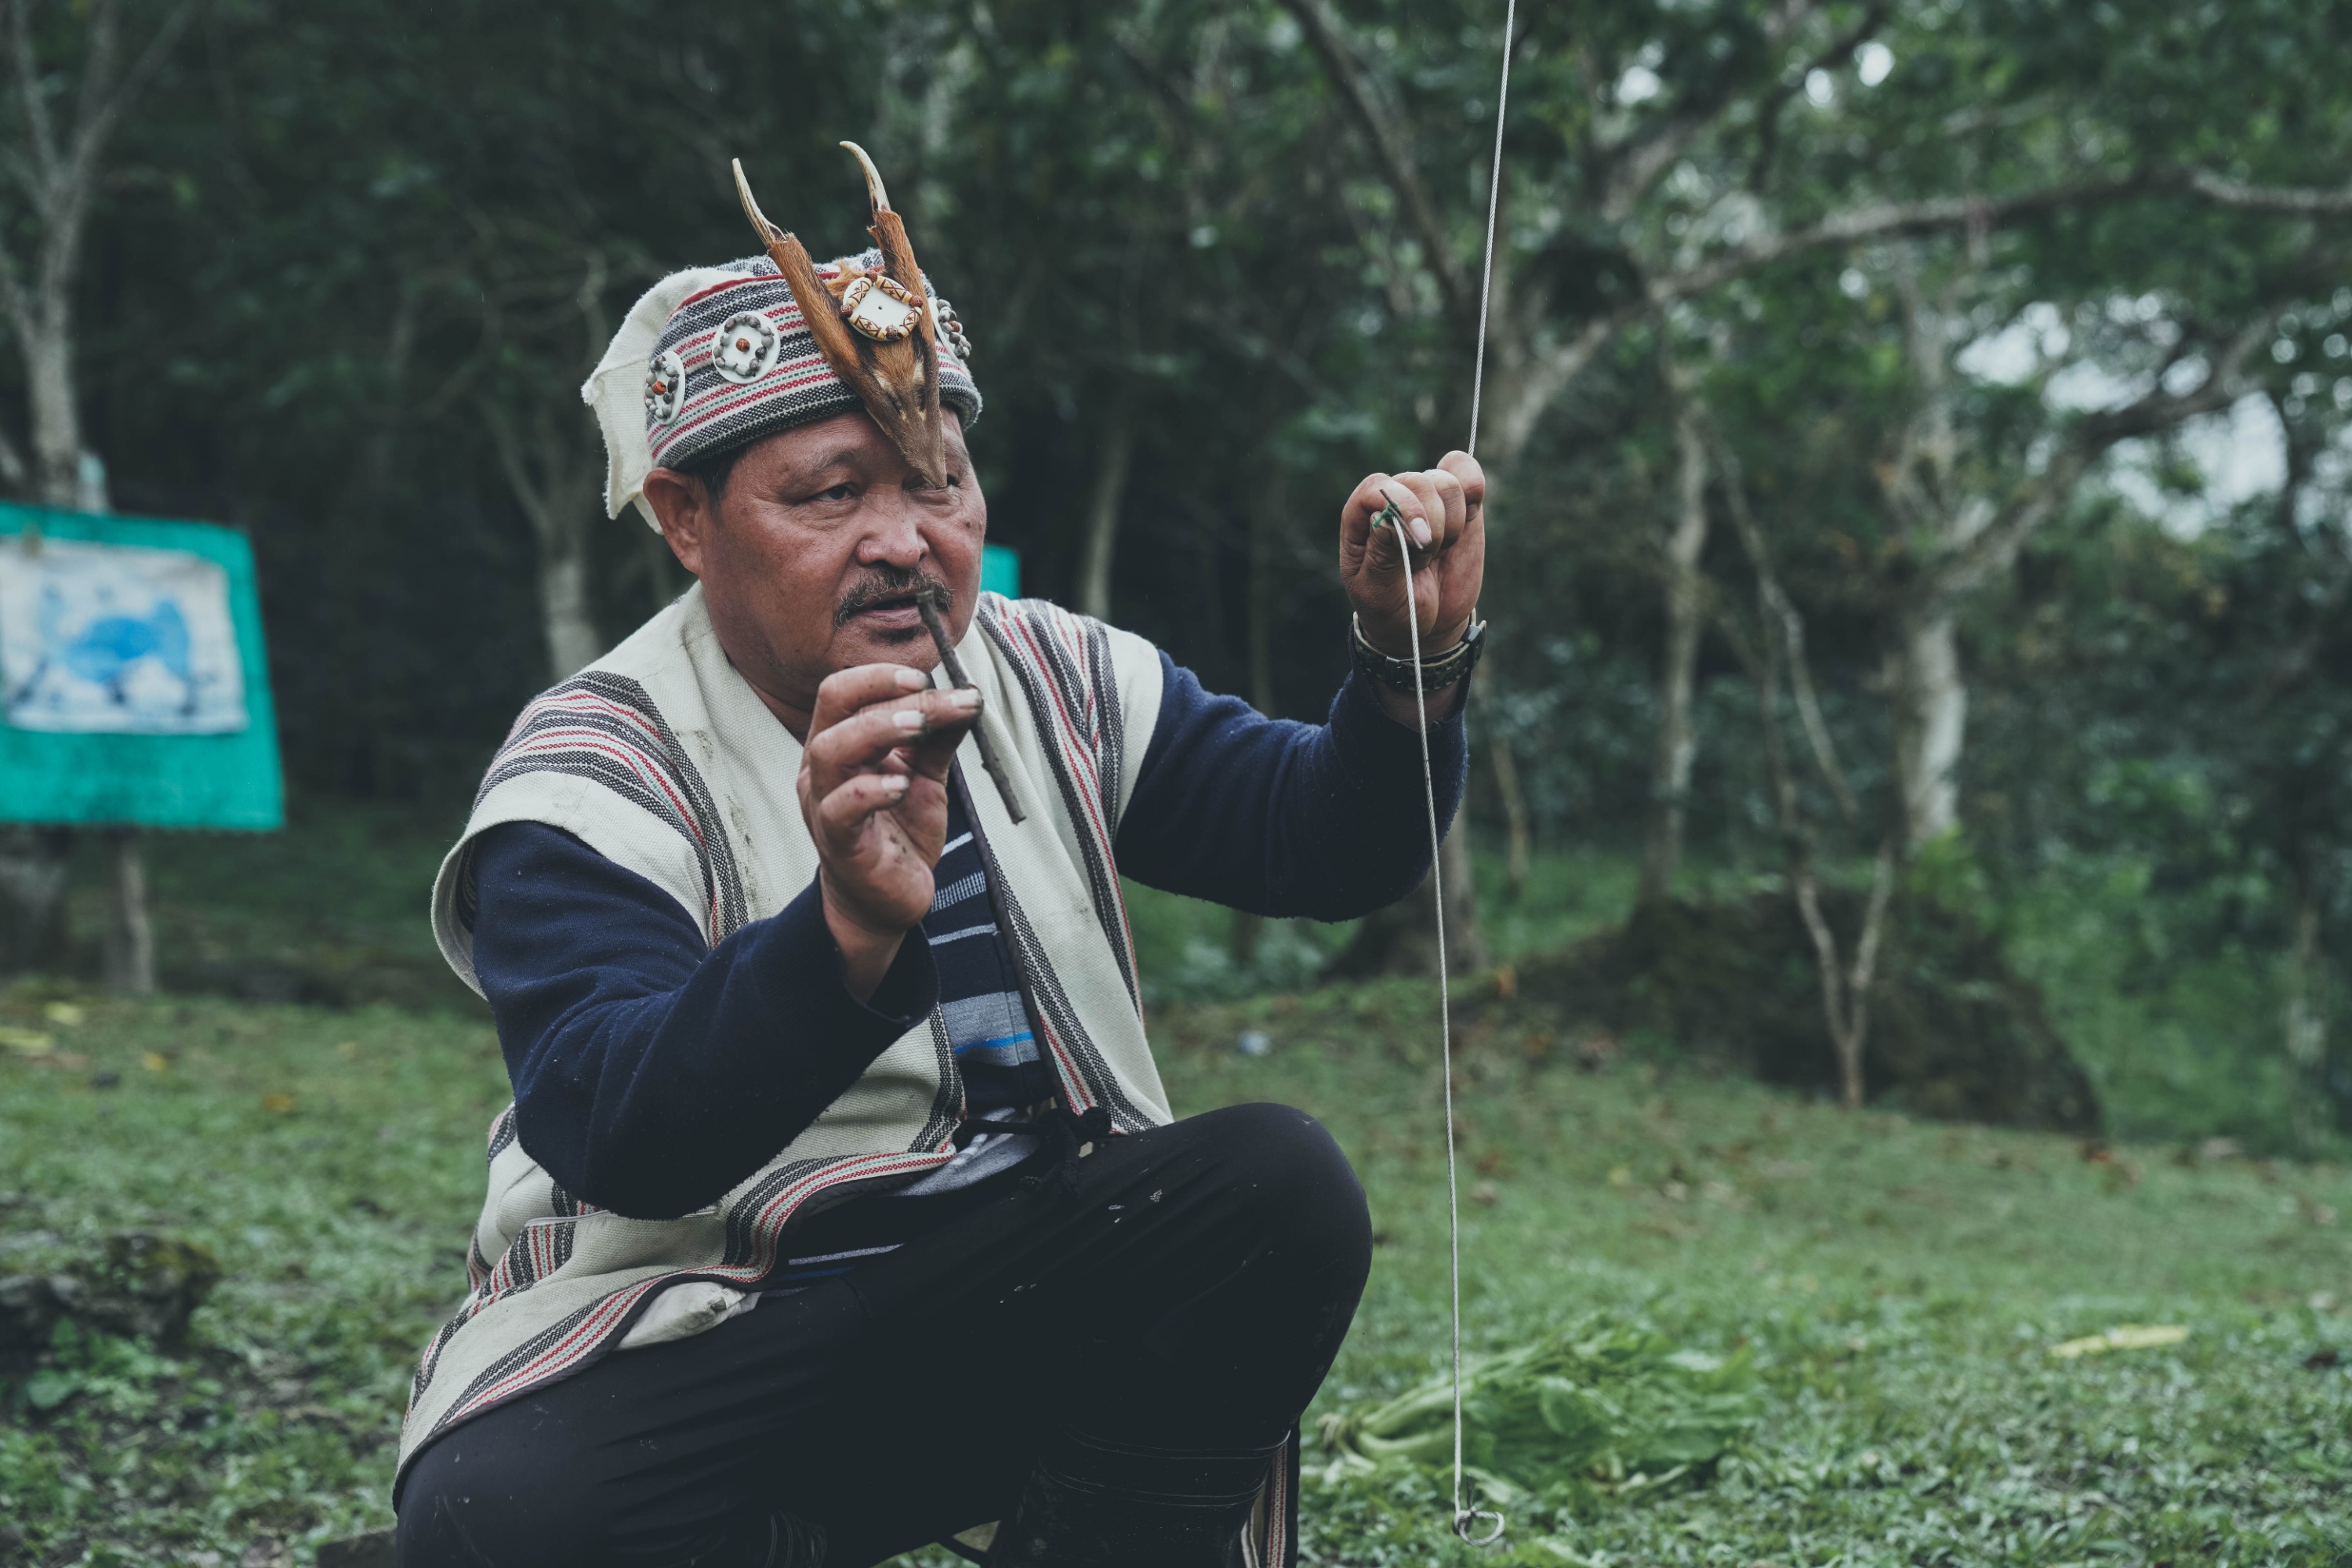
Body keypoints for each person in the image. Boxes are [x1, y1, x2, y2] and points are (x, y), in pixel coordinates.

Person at [392, 147, 1485, 1568]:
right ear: (684, 520)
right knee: (504, 1521)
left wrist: (1410, 664)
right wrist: (841, 931)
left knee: (1273, 1191)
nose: (906, 542)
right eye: (830, 493)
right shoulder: (594, 768)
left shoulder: (1050, 671)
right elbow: (619, 1131)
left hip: (995, 1283)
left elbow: (1319, 841)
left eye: (938, 480)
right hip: (697, 1317)